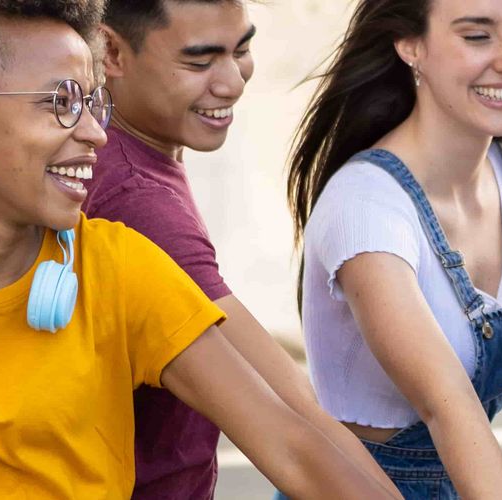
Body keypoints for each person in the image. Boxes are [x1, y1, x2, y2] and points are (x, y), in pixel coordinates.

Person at [0, 1, 396, 498]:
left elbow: (292, 445)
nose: (93, 132)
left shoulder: (124, 269)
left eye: (92, 101)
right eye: (58, 104)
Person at [87, 1, 391, 497]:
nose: (232, 82)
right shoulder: (136, 199)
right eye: (200, 61)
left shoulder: (124, 153)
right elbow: (291, 417)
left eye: (242, 49)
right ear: (111, 51)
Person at [286, 0, 502, 497]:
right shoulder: (365, 204)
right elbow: (447, 407)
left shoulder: (501, 164)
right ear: (410, 46)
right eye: (477, 35)